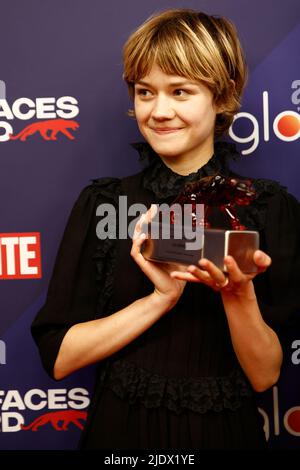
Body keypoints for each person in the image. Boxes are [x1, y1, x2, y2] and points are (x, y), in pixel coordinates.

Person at [31, 9, 300, 449]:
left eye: (180, 91)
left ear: (222, 96)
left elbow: (264, 374)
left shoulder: (269, 210)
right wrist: (160, 300)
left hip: (224, 433)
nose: (159, 111)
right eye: (144, 92)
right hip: (120, 435)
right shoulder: (105, 205)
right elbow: (59, 358)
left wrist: (238, 295)